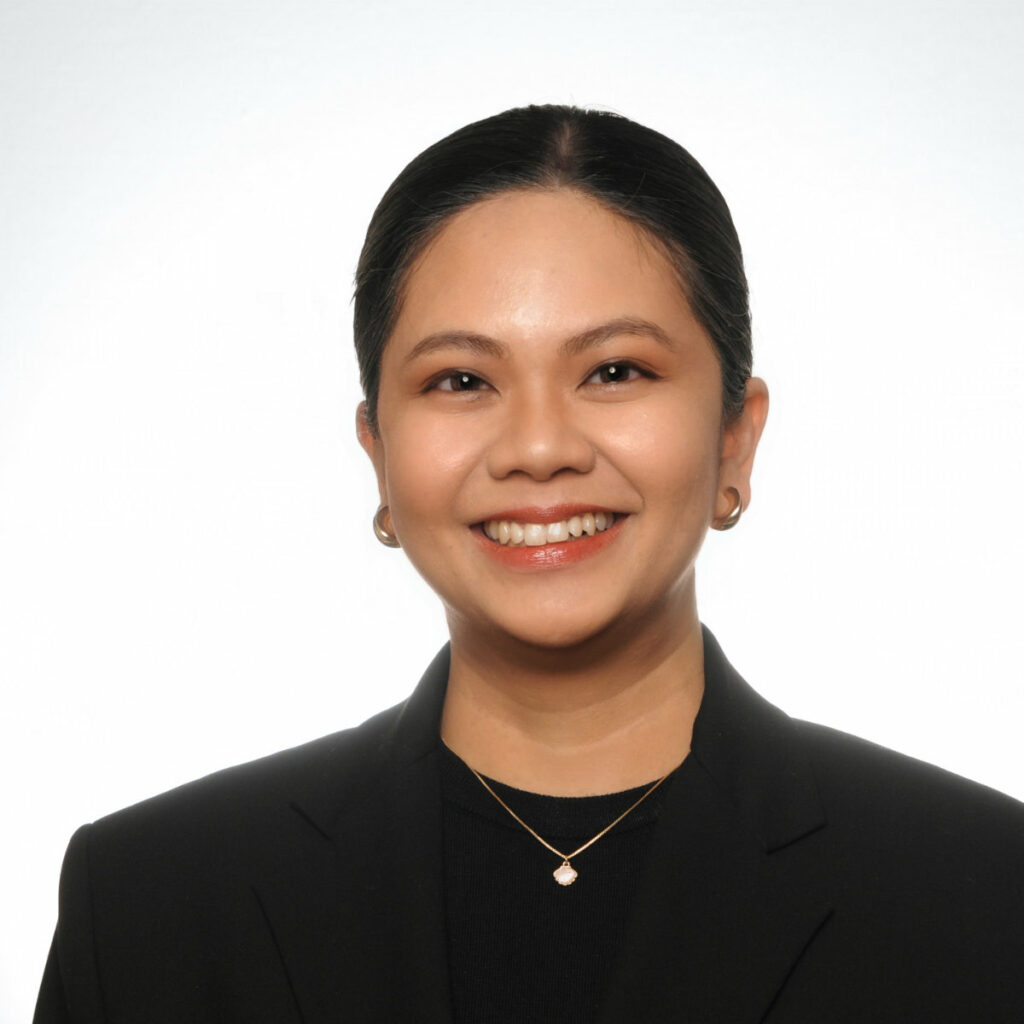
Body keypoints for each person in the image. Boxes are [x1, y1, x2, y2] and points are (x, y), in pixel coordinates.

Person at [35, 105, 1024, 1023]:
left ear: (735, 438)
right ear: (378, 452)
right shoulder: (149, 903)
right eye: (461, 380)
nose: (539, 448)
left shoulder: (983, 889)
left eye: (615, 370)